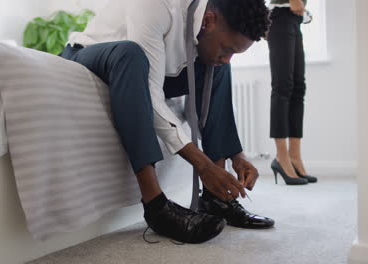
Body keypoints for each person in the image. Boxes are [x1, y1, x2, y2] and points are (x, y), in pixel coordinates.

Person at [59, 0, 274, 244]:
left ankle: (217, 198)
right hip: (94, 57)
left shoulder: (207, 26)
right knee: (131, 54)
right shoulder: (156, 4)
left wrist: (238, 155)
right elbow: (151, 95)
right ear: (209, 20)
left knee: (219, 67)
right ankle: (156, 206)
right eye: (227, 48)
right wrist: (203, 166)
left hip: (149, 72)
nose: (228, 57)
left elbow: (196, 101)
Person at [267, 0, 318, 185]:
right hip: (280, 17)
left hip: (294, 18)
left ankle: (295, 156)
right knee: (282, 87)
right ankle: (281, 157)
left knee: (298, 88)